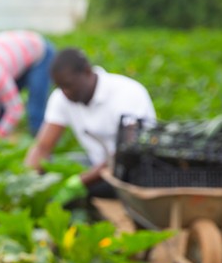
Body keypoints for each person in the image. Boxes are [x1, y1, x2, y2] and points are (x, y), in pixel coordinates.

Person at [24, 47, 156, 203]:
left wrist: (80, 182)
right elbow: (43, 147)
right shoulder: (61, 98)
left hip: (133, 171)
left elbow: (126, 154)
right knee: (50, 170)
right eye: (59, 87)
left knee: (76, 193)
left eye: (68, 85)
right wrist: (25, 183)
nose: (65, 92)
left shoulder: (127, 93)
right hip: (95, 164)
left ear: (87, 71)